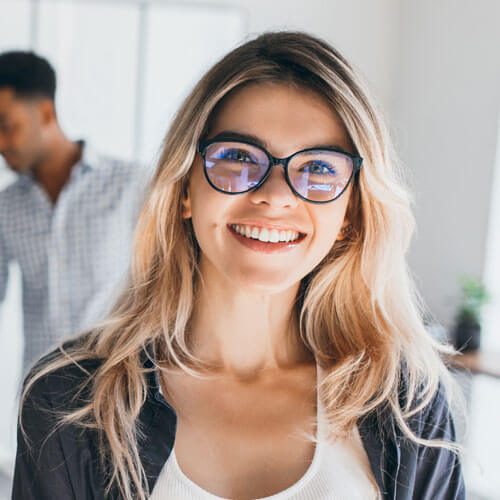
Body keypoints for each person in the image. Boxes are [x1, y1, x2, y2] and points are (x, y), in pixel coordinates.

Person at [13, 32, 465, 499]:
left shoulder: (408, 405)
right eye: (236, 157)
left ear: (350, 212)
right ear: (185, 188)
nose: (275, 194)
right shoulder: (66, 399)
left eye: (320, 167)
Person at [0, 51, 144, 373]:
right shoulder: (5, 206)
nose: (0, 142)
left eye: (6, 125)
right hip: (39, 392)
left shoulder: (131, 184)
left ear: (46, 113)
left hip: (115, 385)